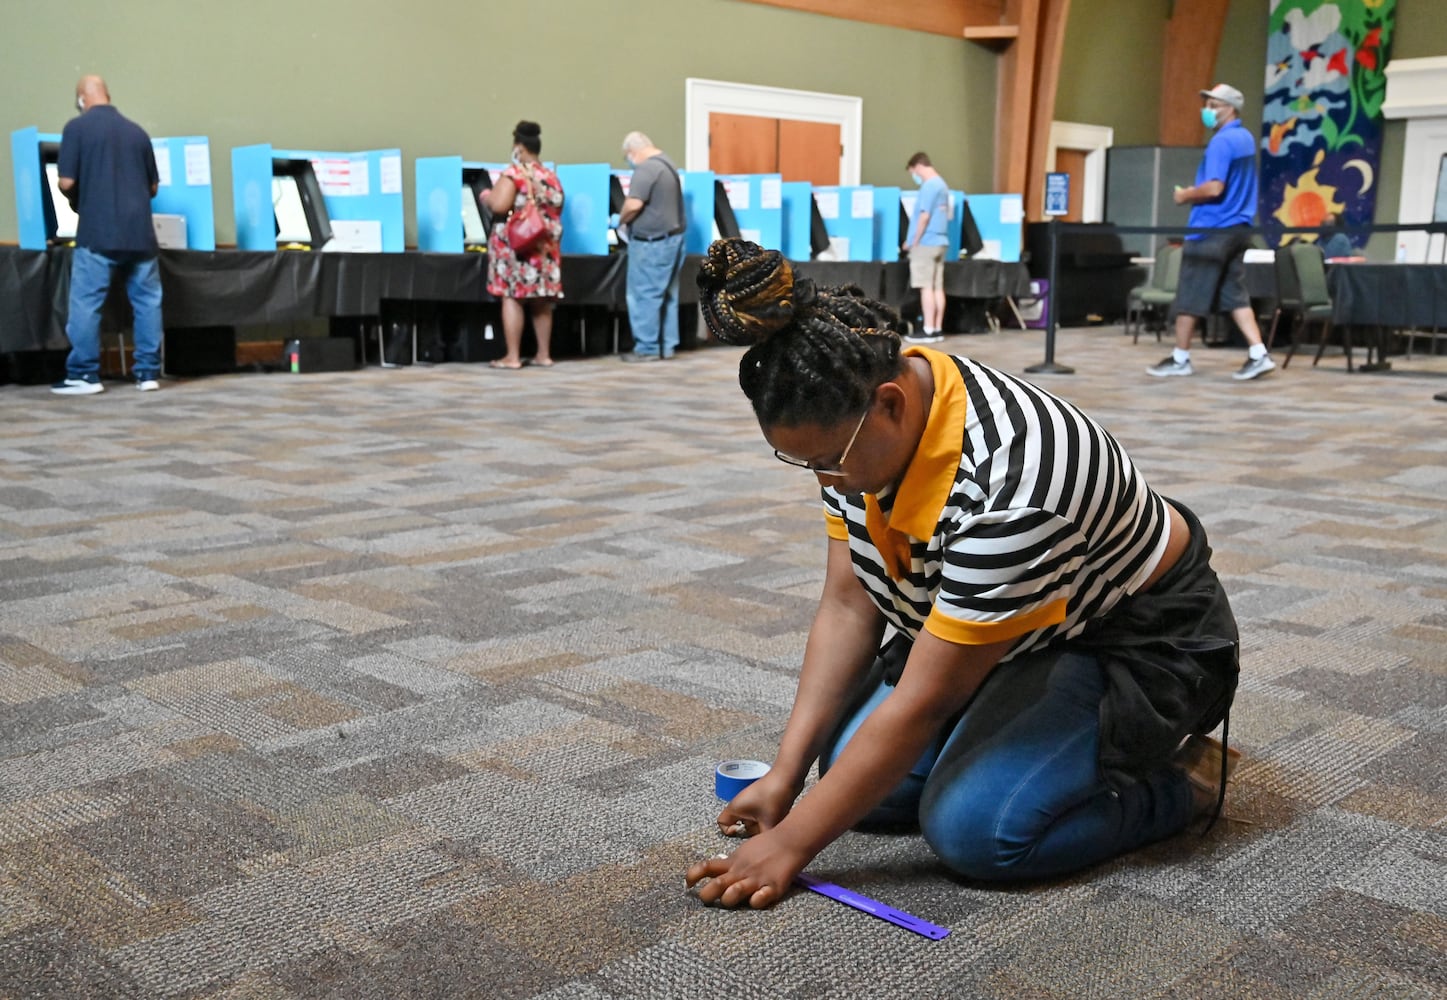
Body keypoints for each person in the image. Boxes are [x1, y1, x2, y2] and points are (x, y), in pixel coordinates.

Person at [685, 239, 1241, 910]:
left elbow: (924, 702)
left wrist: (791, 845)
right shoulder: (851, 417)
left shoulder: (1017, 485)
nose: (825, 480)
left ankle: (1182, 782)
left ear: (889, 404)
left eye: (829, 461)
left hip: (1124, 640)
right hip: (1003, 627)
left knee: (978, 833)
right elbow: (846, 604)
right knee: (867, 791)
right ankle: (1014, 727)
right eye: (801, 462)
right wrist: (787, 770)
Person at [1148, 84, 1275, 381]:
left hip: (1211, 229)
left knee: (1189, 295)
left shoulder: (1222, 142)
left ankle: (1180, 358)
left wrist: (1185, 195)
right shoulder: (1246, 138)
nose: (1207, 109)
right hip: (1239, 229)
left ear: (1230, 108)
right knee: (1234, 294)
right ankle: (1259, 353)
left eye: (1214, 104)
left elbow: (1215, 187)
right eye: (1207, 103)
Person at [51, 75, 163, 395]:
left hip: (99, 232)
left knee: (87, 303)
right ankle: (147, 374)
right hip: (141, 235)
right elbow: (153, 187)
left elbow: (66, 182)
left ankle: (85, 375)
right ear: (107, 95)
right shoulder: (138, 133)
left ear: (82, 99)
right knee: (147, 303)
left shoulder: (77, 127)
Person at [483, 121, 563, 369]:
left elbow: (499, 205)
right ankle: (543, 354)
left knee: (512, 297)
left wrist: (486, 195)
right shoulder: (551, 176)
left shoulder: (514, 174)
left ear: (518, 147)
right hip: (544, 247)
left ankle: (512, 356)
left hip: (518, 248)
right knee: (541, 300)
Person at [618, 132, 687, 362]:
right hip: (673, 240)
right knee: (667, 295)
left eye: (627, 156)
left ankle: (647, 348)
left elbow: (634, 204)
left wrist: (620, 219)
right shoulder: (668, 165)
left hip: (652, 244)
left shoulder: (646, 169)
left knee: (644, 296)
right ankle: (665, 347)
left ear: (633, 152)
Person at [903, 152, 951, 346]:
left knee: (926, 288)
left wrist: (913, 241)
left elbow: (924, 216)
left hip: (926, 242)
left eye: (913, 172)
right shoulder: (942, 184)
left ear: (918, 167)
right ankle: (937, 328)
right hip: (941, 242)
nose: (915, 176)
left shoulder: (929, 186)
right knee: (938, 287)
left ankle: (928, 329)